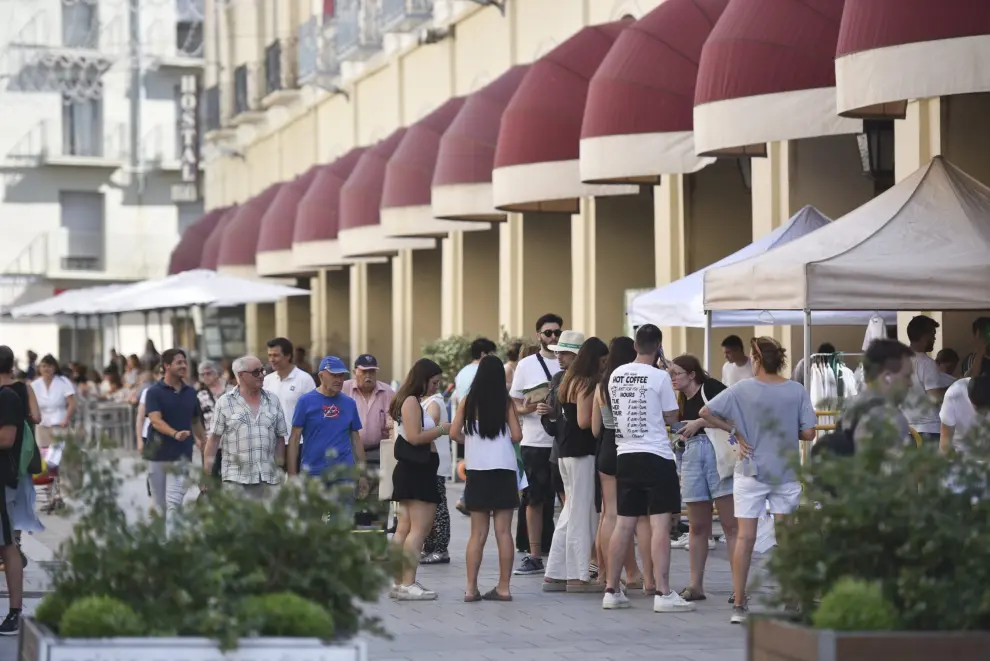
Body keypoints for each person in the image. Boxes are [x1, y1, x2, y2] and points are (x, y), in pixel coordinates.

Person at [700, 336, 817, 624]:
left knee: (745, 537)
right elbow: (809, 433)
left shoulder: (741, 389)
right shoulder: (796, 390)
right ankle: (791, 599)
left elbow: (705, 412)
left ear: (756, 359)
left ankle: (739, 604)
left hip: (750, 469)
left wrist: (735, 432)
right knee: (787, 538)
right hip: (785, 471)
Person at [603, 325, 692, 613]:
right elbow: (671, 416)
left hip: (625, 452)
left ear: (635, 346)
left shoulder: (616, 374)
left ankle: (611, 589)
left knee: (624, 523)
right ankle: (663, 592)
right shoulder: (659, 376)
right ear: (659, 346)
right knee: (659, 526)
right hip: (656, 455)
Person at [451, 355, 523, 601]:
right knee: (503, 532)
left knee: (477, 534)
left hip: (478, 471)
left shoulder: (468, 401)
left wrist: (470, 440)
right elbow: (516, 435)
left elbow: (453, 432)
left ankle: (471, 589)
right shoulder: (506, 402)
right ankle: (503, 588)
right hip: (503, 470)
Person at [668, 354, 737, 603]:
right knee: (698, 526)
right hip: (693, 454)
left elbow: (734, 415)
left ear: (692, 374)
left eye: (677, 373)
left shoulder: (711, 388)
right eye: (671, 373)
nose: (673, 378)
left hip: (717, 452)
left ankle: (739, 586)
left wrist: (700, 421)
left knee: (731, 525)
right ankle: (695, 585)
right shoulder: (681, 399)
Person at [389, 359, 450, 601]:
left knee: (403, 529)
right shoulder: (412, 401)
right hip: (417, 472)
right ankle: (408, 583)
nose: (436, 387)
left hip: (411, 471)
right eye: (434, 382)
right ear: (423, 379)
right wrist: (443, 429)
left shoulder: (406, 400)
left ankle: (399, 582)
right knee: (419, 530)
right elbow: (415, 437)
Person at [591, 337, 648, 594]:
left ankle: (604, 572)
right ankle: (642, 575)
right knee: (641, 518)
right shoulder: (636, 381)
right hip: (632, 447)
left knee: (609, 513)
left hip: (606, 448)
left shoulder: (602, 384)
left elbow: (595, 428)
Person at [510, 313, 563, 576]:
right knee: (534, 500)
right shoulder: (527, 365)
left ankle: (567, 552)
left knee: (568, 499)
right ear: (539, 335)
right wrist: (530, 408)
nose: (553, 337)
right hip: (535, 441)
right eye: (548, 333)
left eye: (557, 333)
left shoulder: (570, 363)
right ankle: (534, 554)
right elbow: (515, 403)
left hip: (564, 441)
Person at [204, 356, 288, 500]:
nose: (262, 375)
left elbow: (280, 438)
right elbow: (213, 441)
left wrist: (280, 468)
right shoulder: (224, 403)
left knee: (267, 522)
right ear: (241, 375)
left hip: (268, 478)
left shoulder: (273, 400)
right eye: (256, 372)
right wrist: (206, 474)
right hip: (236, 480)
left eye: (262, 370)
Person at [145, 349, 206, 536]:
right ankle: (161, 539)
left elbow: (196, 422)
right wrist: (174, 433)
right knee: (160, 502)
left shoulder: (191, 393)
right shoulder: (154, 392)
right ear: (167, 366)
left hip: (182, 456)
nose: (184, 366)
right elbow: (155, 420)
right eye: (179, 362)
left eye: (185, 362)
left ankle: (172, 541)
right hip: (157, 455)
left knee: (175, 500)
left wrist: (205, 446)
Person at [287, 357, 367, 496]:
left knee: (344, 517)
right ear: (321, 376)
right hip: (313, 472)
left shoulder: (349, 403)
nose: (338, 379)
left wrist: (363, 475)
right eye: (334, 375)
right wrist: (292, 475)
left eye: (341, 375)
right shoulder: (305, 401)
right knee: (314, 517)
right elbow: (294, 439)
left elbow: (356, 440)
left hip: (344, 473)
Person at [0, 346, 41, 578]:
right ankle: (15, 546)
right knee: (16, 502)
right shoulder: (24, 387)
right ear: (12, 365)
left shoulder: (3, 393)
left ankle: (7, 550)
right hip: (20, 454)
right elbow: (36, 417)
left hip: (5, 451)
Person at [341, 354, 394, 526]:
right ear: (355, 371)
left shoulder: (387, 392)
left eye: (372, 372)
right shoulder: (344, 389)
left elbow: (394, 424)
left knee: (379, 502)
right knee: (352, 500)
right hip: (349, 454)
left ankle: (378, 542)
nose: (368, 376)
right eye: (364, 372)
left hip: (378, 454)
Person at [0, 350, 29, 635]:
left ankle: (15, 612)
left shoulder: (7, 397)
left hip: (1, 483)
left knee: (7, 545)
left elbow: (6, 439)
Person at [263, 337, 317, 471]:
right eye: (269, 355)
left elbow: (314, 413)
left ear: (288, 356)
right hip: (272, 445)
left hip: (299, 444)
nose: (271, 359)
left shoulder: (304, 380)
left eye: (276, 355)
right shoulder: (266, 380)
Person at [420, 374, 452, 565]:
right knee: (428, 507)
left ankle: (441, 549)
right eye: (433, 382)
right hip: (428, 462)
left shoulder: (434, 402)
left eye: (436, 382)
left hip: (435, 463)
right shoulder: (424, 401)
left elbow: (429, 426)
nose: (436, 386)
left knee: (438, 508)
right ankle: (430, 547)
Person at [903, 315, 946, 444]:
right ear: (923, 336)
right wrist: (953, 388)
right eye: (932, 335)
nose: (934, 338)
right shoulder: (926, 363)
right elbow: (934, 398)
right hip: (928, 429)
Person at [31, 354, 76, 450]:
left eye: (49, 366)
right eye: (43, 366)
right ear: (39, 368)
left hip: (60, 424)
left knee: (59, 453)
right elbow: (32, 405)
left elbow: (72, 404)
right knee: (43, 454)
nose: (46, 369)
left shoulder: (63, 381)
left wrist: (66, 418)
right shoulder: (35, 384)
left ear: (54, 368)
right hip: (42, 425)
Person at [940, 375, 990, 454]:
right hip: (961, 453)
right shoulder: (954, 393)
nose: (982, 414)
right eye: (977, 408)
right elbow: (945, 437)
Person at [453, 338, 497, 403]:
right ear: (483, 354)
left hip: (463, 411)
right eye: (492, 354)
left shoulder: (462, 372)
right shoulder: (486, 371)